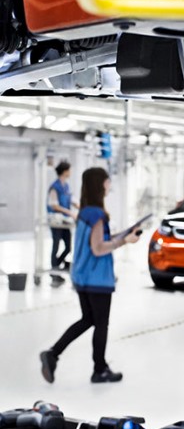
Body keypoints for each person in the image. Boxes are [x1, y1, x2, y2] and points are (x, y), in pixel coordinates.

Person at [40, 167, 141, 385]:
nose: (109, 185)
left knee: (88, 319)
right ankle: (100, 369)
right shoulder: (97, 214)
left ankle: (53, 353)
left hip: (82, 275)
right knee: (100, 324)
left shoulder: (85, 212)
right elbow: (98, 248)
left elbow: (98, 239)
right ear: (100, 184)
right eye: (107, 181)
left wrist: (122, 234)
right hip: (97, 278)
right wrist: (125, 241)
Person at [47, 161, 78, 281]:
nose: (70, 172)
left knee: (68, 247)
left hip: (65, 222)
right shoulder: (54, 187)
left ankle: (56, 266)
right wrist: (69, 212)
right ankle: (54, 271)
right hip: (56, 221)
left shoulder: (66, 186)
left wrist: (83, 207)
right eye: (69, 170)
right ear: (65, 171)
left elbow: (72, 200)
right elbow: (54, 205)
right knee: (56, 245)